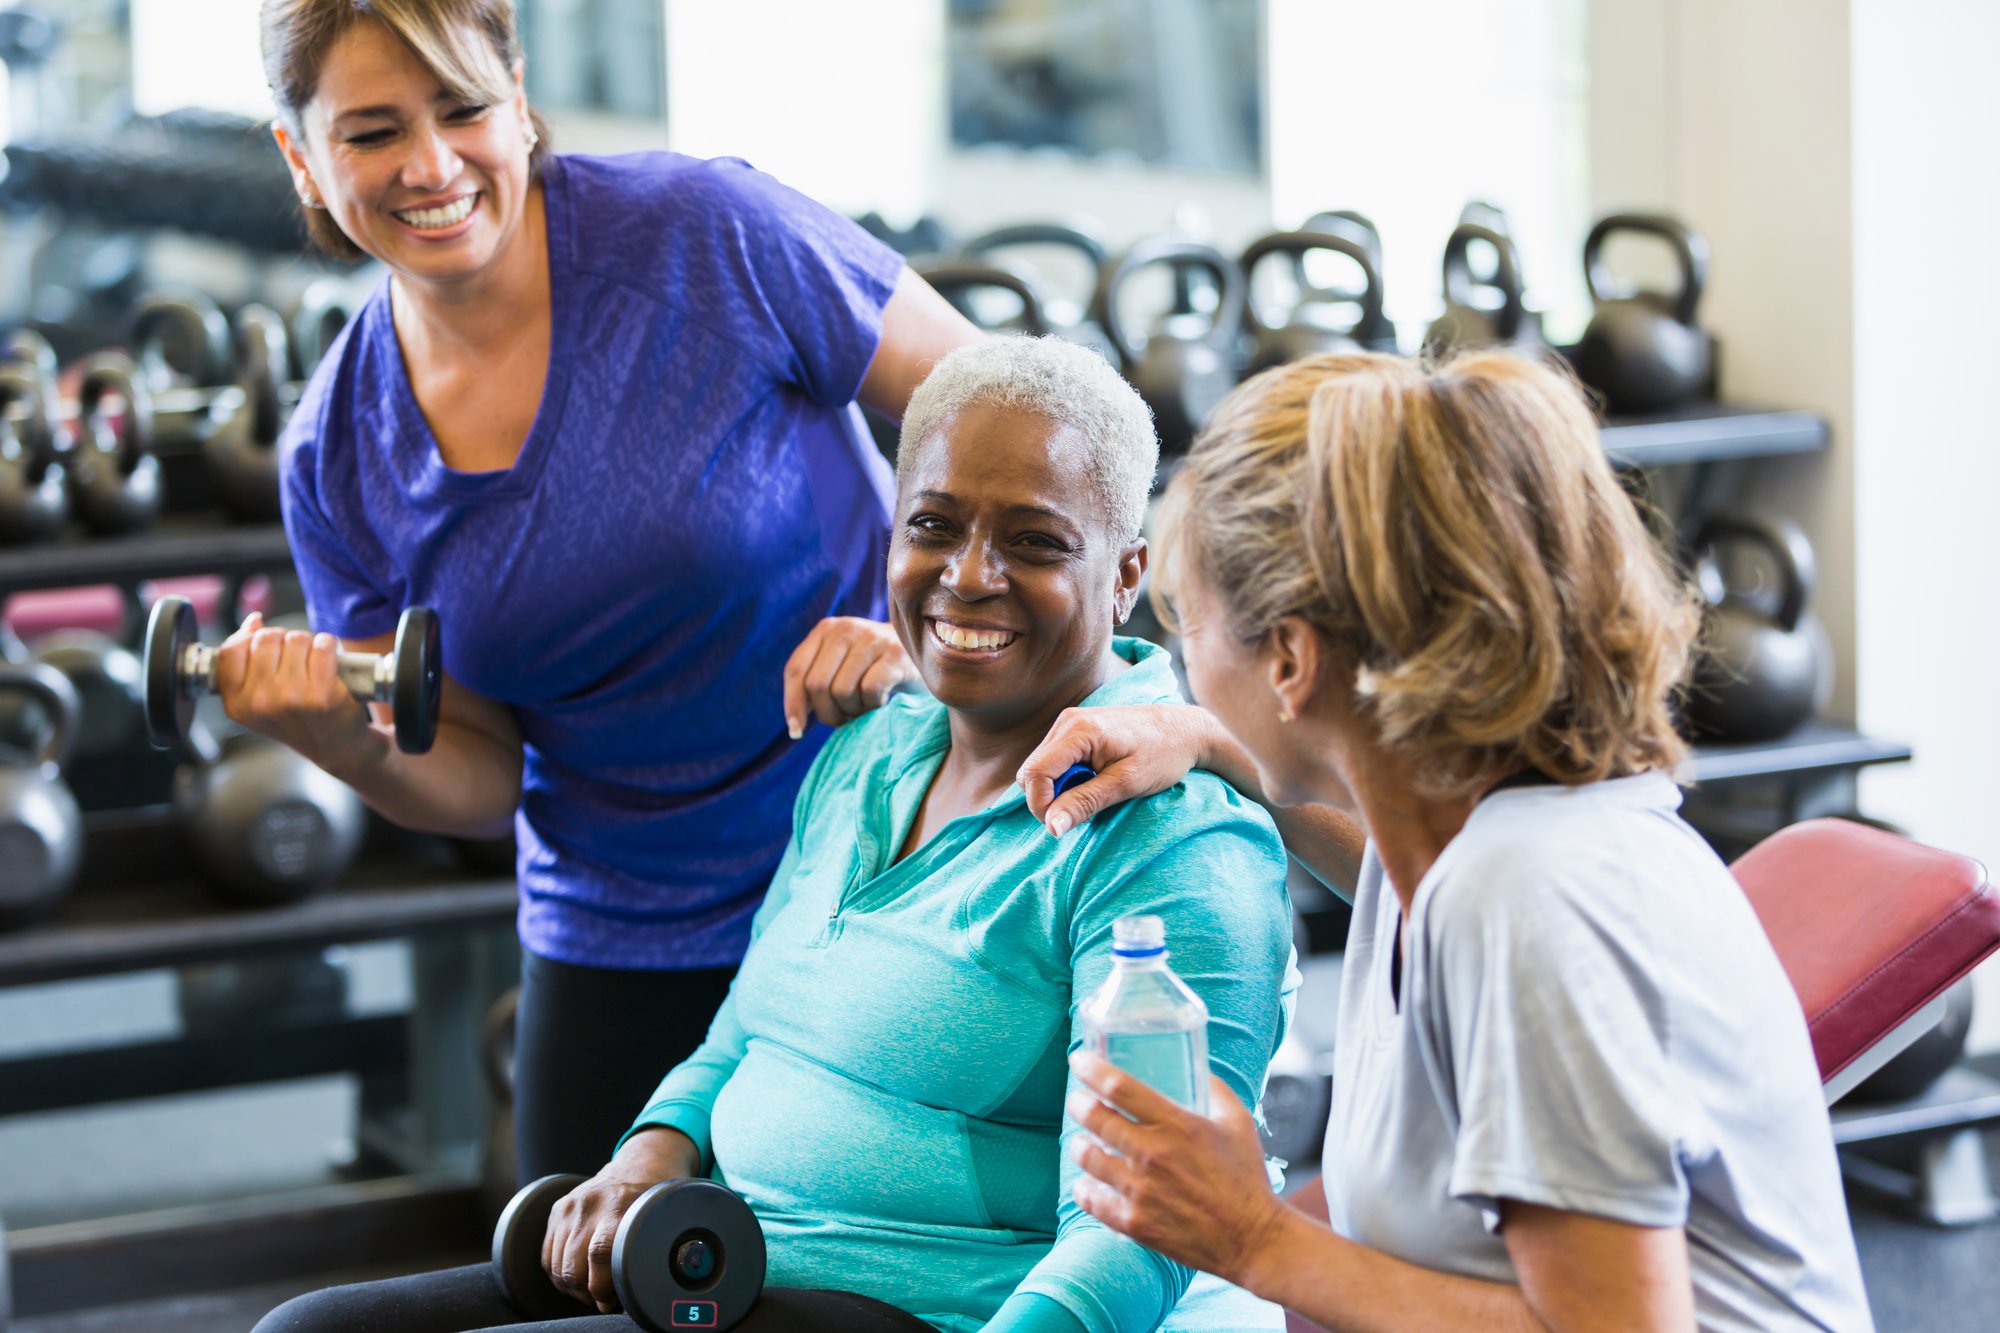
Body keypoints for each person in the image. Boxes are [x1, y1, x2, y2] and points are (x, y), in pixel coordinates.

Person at [256, 337, 1297, 1333]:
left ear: (1125, 574)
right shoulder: (870, 749)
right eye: (932, 525)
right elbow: (748, 1029)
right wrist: (646, 1158)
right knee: (306, 1331)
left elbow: (1149, 1232)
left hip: (939, 1310)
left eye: (1033, 541)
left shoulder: (1171, 844)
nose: (968, 575)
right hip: (735, 1265)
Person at [238, 0, 980, 1180]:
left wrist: (921, 626)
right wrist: (348, 742)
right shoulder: (336, 453)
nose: (431, 166)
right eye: (372, 133)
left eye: (464, 109)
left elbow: (1013, 414)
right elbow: (479, 771)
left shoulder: (703, 231)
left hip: (888, 873)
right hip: (619, 929)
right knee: (587, 1291)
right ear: (302, 158)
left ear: (517, 91)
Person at [1024, 352, 1874, 1331]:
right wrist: (1209, 741)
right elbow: (1371, 855)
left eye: (1189, 630)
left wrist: (1249, 1235)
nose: (1182, 667)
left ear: (1291, 660)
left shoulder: (1529, 894)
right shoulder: (1444, 822)